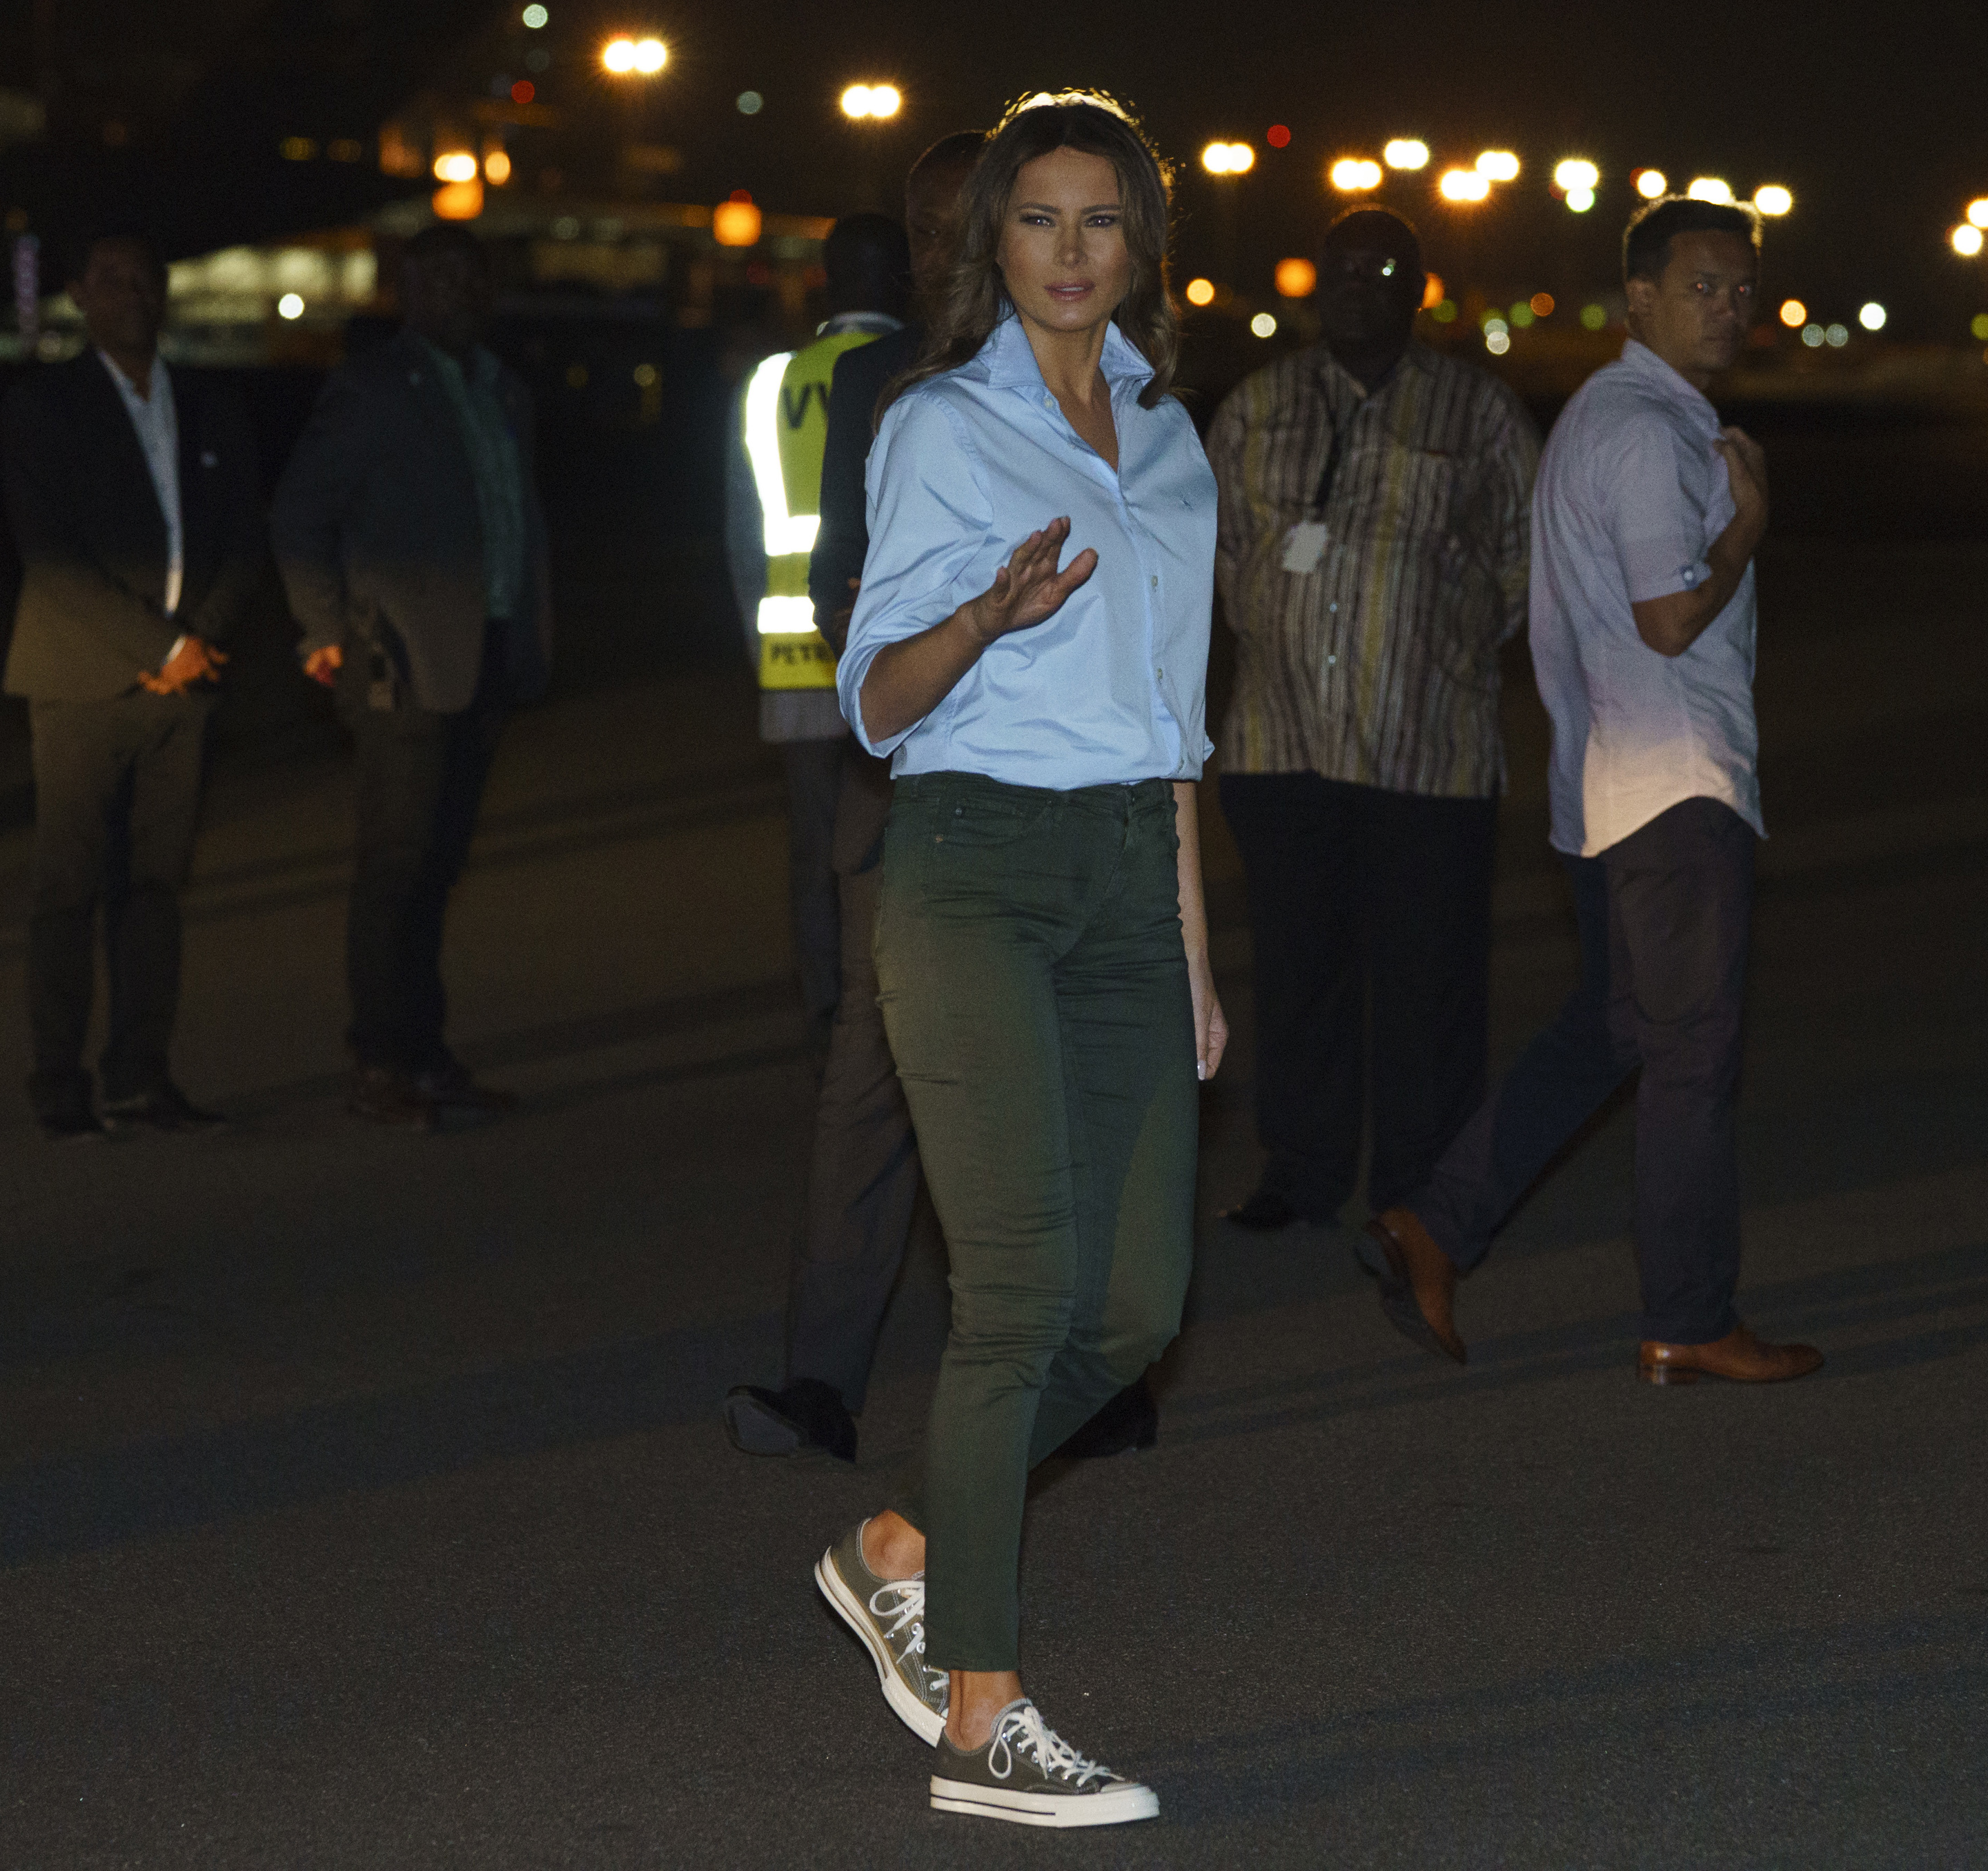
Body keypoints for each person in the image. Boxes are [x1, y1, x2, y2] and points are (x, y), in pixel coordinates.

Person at [814, 92, 1219, 1828]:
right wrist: (983, 614)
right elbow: (876, 700)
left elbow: (1177, 729)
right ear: (993, 242)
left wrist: (1199, 953)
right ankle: (983, 1721)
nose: (1070, 252)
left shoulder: (1172, 437)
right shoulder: (940, 426)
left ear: (1142, 244)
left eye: (1101, 220)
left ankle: (902, 1543)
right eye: (1039, 220)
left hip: (1131, 872)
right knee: (1021, 1296)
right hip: (974, 860)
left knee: (1137, 1309)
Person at [722, 132, 1162, 1467]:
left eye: (951, 220)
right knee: (873, 1080)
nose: (936, 246)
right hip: (918, 794)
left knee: (1067, 1080)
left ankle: (1087, 1370)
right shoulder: (899, 388)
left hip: (1073, 799)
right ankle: (822, 1378)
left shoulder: (1106, 387)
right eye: (928, 224)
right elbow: (842, 583)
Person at [1363, 195, 1823, 1386]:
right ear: (1642, 300)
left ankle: (1437, 1221)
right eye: (1703, 286)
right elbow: (1671, 616)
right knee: (1691, 1060)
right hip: (1671, 789)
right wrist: (1748, 529)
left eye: (1741, 286)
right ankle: (1689, 1312)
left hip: (1611, 787)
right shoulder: (1645, 432)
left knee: (1611, 1029)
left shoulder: (1616, 416)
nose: (1730, 307)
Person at [1207, 206, 1539, 1234]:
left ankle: (1420, 1184)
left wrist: (1438, 646)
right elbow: (1215, 562)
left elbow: (1529, 567)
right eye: (1339, 267)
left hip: (1425, 751)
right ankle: (1301, 1169)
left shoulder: (1478, 414)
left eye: (1380, 268)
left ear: (1417, 288)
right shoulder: (1255, 408)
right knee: (1299, 969)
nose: (1357, 284)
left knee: (1426, 979)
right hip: (1281, 741)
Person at [272, 224, 550, 1130]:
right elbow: (301, 513)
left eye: (473, 280)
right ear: (409, 293)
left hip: (489, 652)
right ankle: (380, 1062)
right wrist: (327, 631)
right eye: (439, 283)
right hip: (401, 661)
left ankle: (424, 1054)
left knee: (437, 868)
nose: (459, 297)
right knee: (395, 868)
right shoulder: (373, 387)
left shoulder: (501, 388)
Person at [0, 228, 266, 1140]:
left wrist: (202, 641)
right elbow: (54, 561)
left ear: (164, 292)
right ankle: (57, 1077)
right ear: (79, 295)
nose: (130, 294)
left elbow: (243, 536)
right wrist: (160, 648)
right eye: (109, 279)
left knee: (154, 890)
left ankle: (141, 1075)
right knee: (67, 889)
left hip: (186, 689)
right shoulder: (45, 407)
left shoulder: (208, 404)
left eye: (143, 278)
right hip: (80, 685)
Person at [724, 212, 913, 1049]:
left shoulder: (772, 383)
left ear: (825, 280)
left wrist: (758, 645)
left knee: (813, 852)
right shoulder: (915, 374)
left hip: (796, 650)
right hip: (899, 650)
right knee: (893, 842)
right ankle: (892, 1017)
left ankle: (827, 1022)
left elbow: (740, 525)